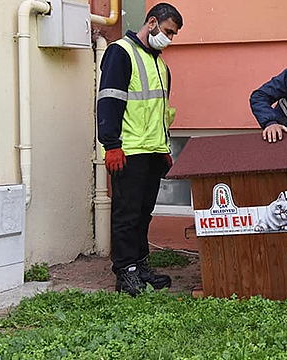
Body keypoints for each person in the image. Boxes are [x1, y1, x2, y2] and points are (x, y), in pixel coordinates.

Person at [96, 3, 183, 296]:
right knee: (127, 214)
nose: (169, 39)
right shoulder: (120, 52)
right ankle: (125, 272)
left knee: (144, 213)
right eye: (168, 31)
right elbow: (109, 99)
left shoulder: (160, 63)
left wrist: (165, 146)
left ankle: (140, 264)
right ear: (151, 22)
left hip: (153, 150)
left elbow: (159, 110)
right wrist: (111, 145)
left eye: (173, 34)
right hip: (128, 150)